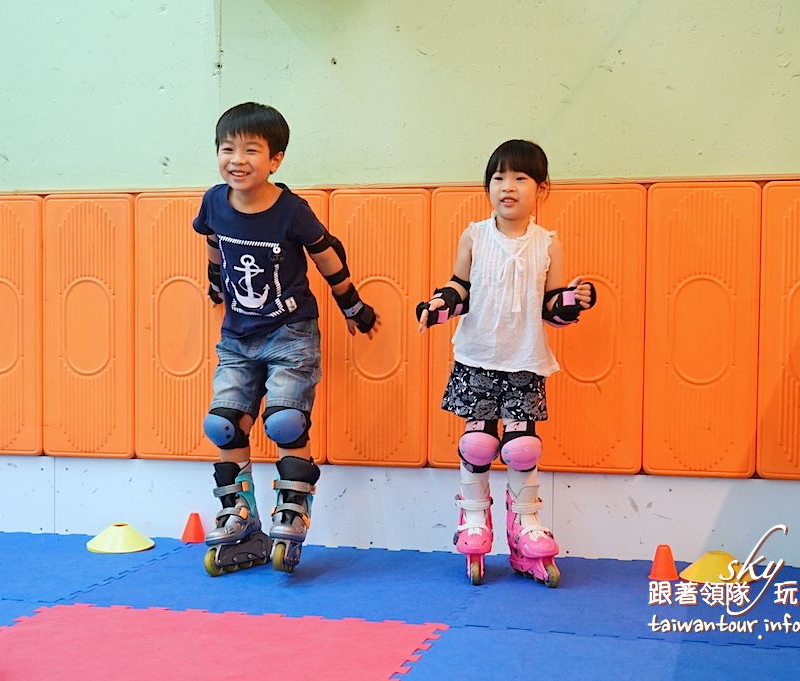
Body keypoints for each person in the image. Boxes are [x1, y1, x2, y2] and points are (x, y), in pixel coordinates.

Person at [193, 102, 380, 575]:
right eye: (226, 148)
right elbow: (214, 242)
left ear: (275, 159)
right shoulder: (214, 201)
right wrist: (216, 281)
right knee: (223, 424)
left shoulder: (291, 210)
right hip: (237, 335)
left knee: (285, 424)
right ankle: (240, 514)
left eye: (250, 150)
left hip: (290, 333)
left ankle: (293, 507)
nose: (236, 158)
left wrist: (352, 305)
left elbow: (326, 255)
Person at [416, 139, 596, 587]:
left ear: (541, 188)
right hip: (477, 357)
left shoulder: (547, 243)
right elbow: (460, 287)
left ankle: (526, 526)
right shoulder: (475, 235)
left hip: (525, 361)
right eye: (498, 178)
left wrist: (573, 301)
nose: (507, 186)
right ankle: (474, 518)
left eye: (520, 178)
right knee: (477, 444)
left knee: (521, 449)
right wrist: (438, 305)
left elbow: (551, 307)